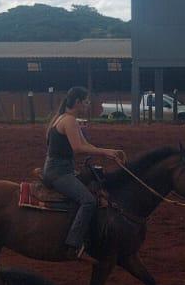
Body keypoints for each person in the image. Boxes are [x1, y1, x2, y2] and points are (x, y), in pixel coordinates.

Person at [42, 86, 126, 260]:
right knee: (88, 201)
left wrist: (110, 152)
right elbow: (78, 148)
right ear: (78, 102)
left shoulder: (64, 118)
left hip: (59, 169)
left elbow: (87, 145)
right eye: (86, 101)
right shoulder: (69, 121)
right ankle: (73, 245)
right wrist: (105, 153)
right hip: (59, 173)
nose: (88, 104)